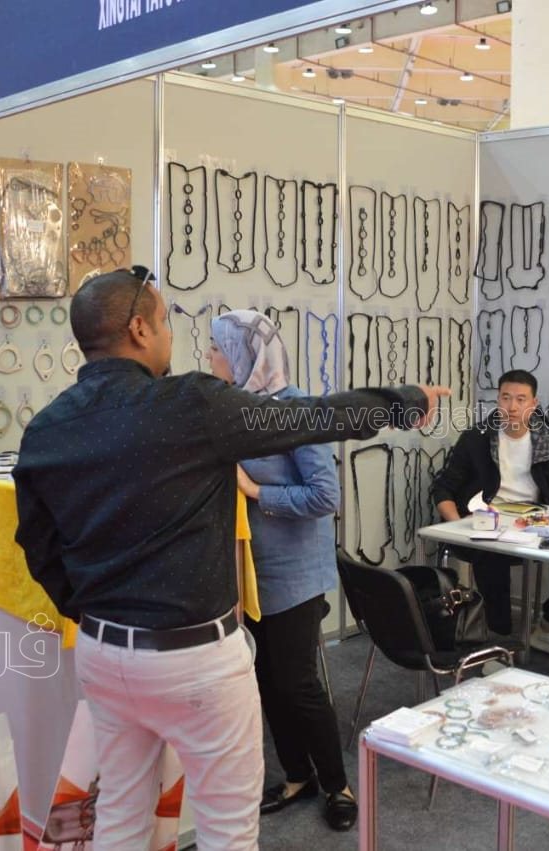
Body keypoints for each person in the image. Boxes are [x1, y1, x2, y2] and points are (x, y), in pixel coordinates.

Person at [12, 269, 445, 850]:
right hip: (193, 656)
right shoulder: (191, 403)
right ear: (138, 329)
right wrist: (404, 401)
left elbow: (38, 545)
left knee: (119, 810)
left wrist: (87, 610)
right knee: (227, 828)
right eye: (165, 322)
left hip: (102, 653)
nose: (173, 336)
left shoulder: (47, 429)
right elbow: (311, 418)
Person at [207, 310, 357, 832]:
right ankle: (298, 775)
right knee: (265, 678)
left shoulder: (297, 413)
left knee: (297, 683)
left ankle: (337, 783)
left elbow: (325, 496)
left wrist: (255, 492)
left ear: (244, 356)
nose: (209, 358)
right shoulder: (235, 411)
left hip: (295, 576)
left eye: (217, 349)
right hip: (250, 573)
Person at [431, 369, 549, 662]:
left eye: (521, 399)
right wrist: (458, 524)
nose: (512, 406)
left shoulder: (548, 440)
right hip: (486, 521)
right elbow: (444, 488)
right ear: (498, 400)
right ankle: (498, 643)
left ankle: (548, 629)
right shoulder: (477, 438)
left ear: (533, 404)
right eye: (506, 398)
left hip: (533, 524)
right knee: (492, 555)